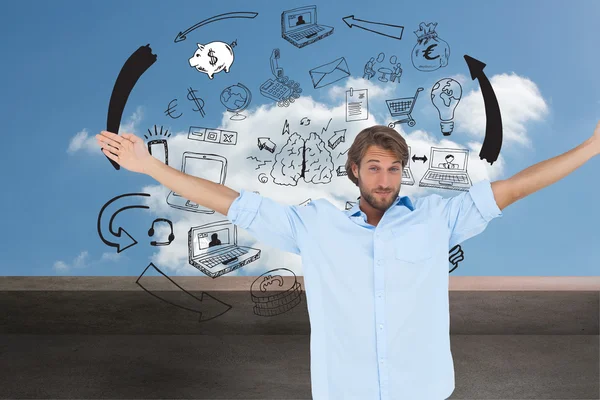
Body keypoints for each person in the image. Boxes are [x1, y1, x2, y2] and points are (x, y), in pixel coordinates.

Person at [96, 123, 600, 399]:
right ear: (355, 170)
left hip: (424, 393)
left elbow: (516, 187)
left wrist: (593, 145)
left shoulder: (438, 219)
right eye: (374, 168)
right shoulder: (314, 224)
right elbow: (230, 201)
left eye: (394, 169)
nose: (385, 180)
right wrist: (149, 166)